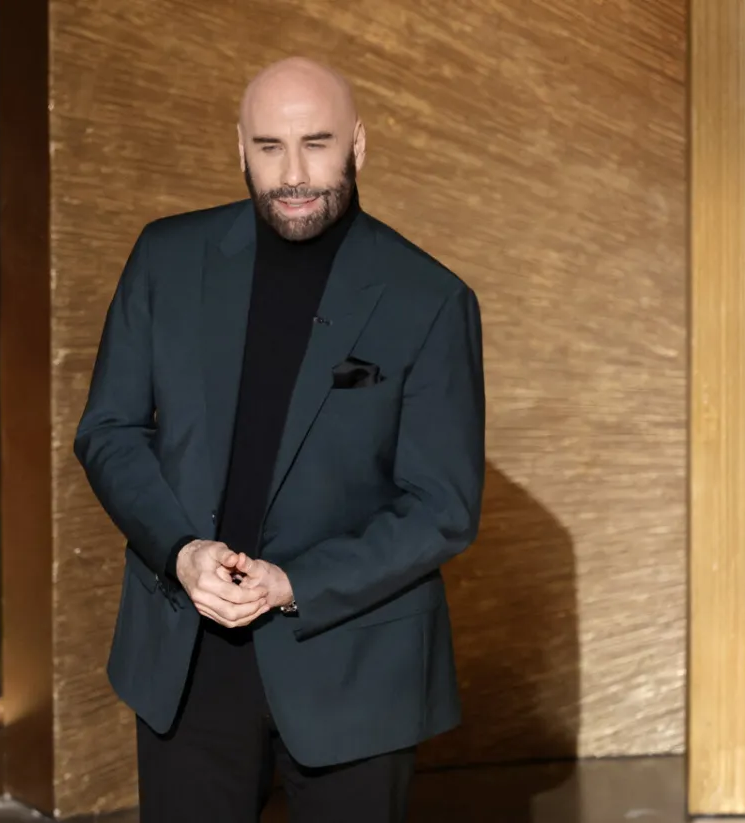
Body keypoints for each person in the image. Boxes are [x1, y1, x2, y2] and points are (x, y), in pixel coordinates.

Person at [74, 55, 485, 823]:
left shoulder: (431, 299)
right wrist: (179, 550)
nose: (294, 173)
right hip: (187, 652)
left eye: (317, 144)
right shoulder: (166, 259)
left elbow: (443, 504)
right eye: (269, 147)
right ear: (240, 149)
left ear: (358, 146)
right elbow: (109, 430)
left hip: (355, 661)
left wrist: (295, 582)